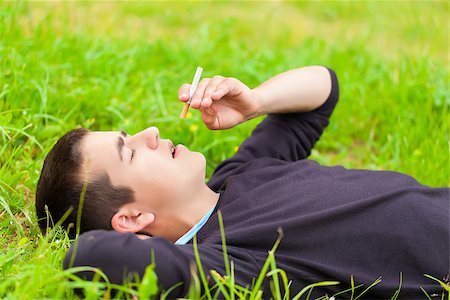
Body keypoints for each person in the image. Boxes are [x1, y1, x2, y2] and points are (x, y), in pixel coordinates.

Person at [35, 66, 449, 299]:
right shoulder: (227, 261)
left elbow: (323, 89)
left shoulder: (237, 174)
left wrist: (255, 104)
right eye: (131, 151)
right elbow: (91, 256)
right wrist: (159, 245)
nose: (152, 133)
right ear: (132, 218)